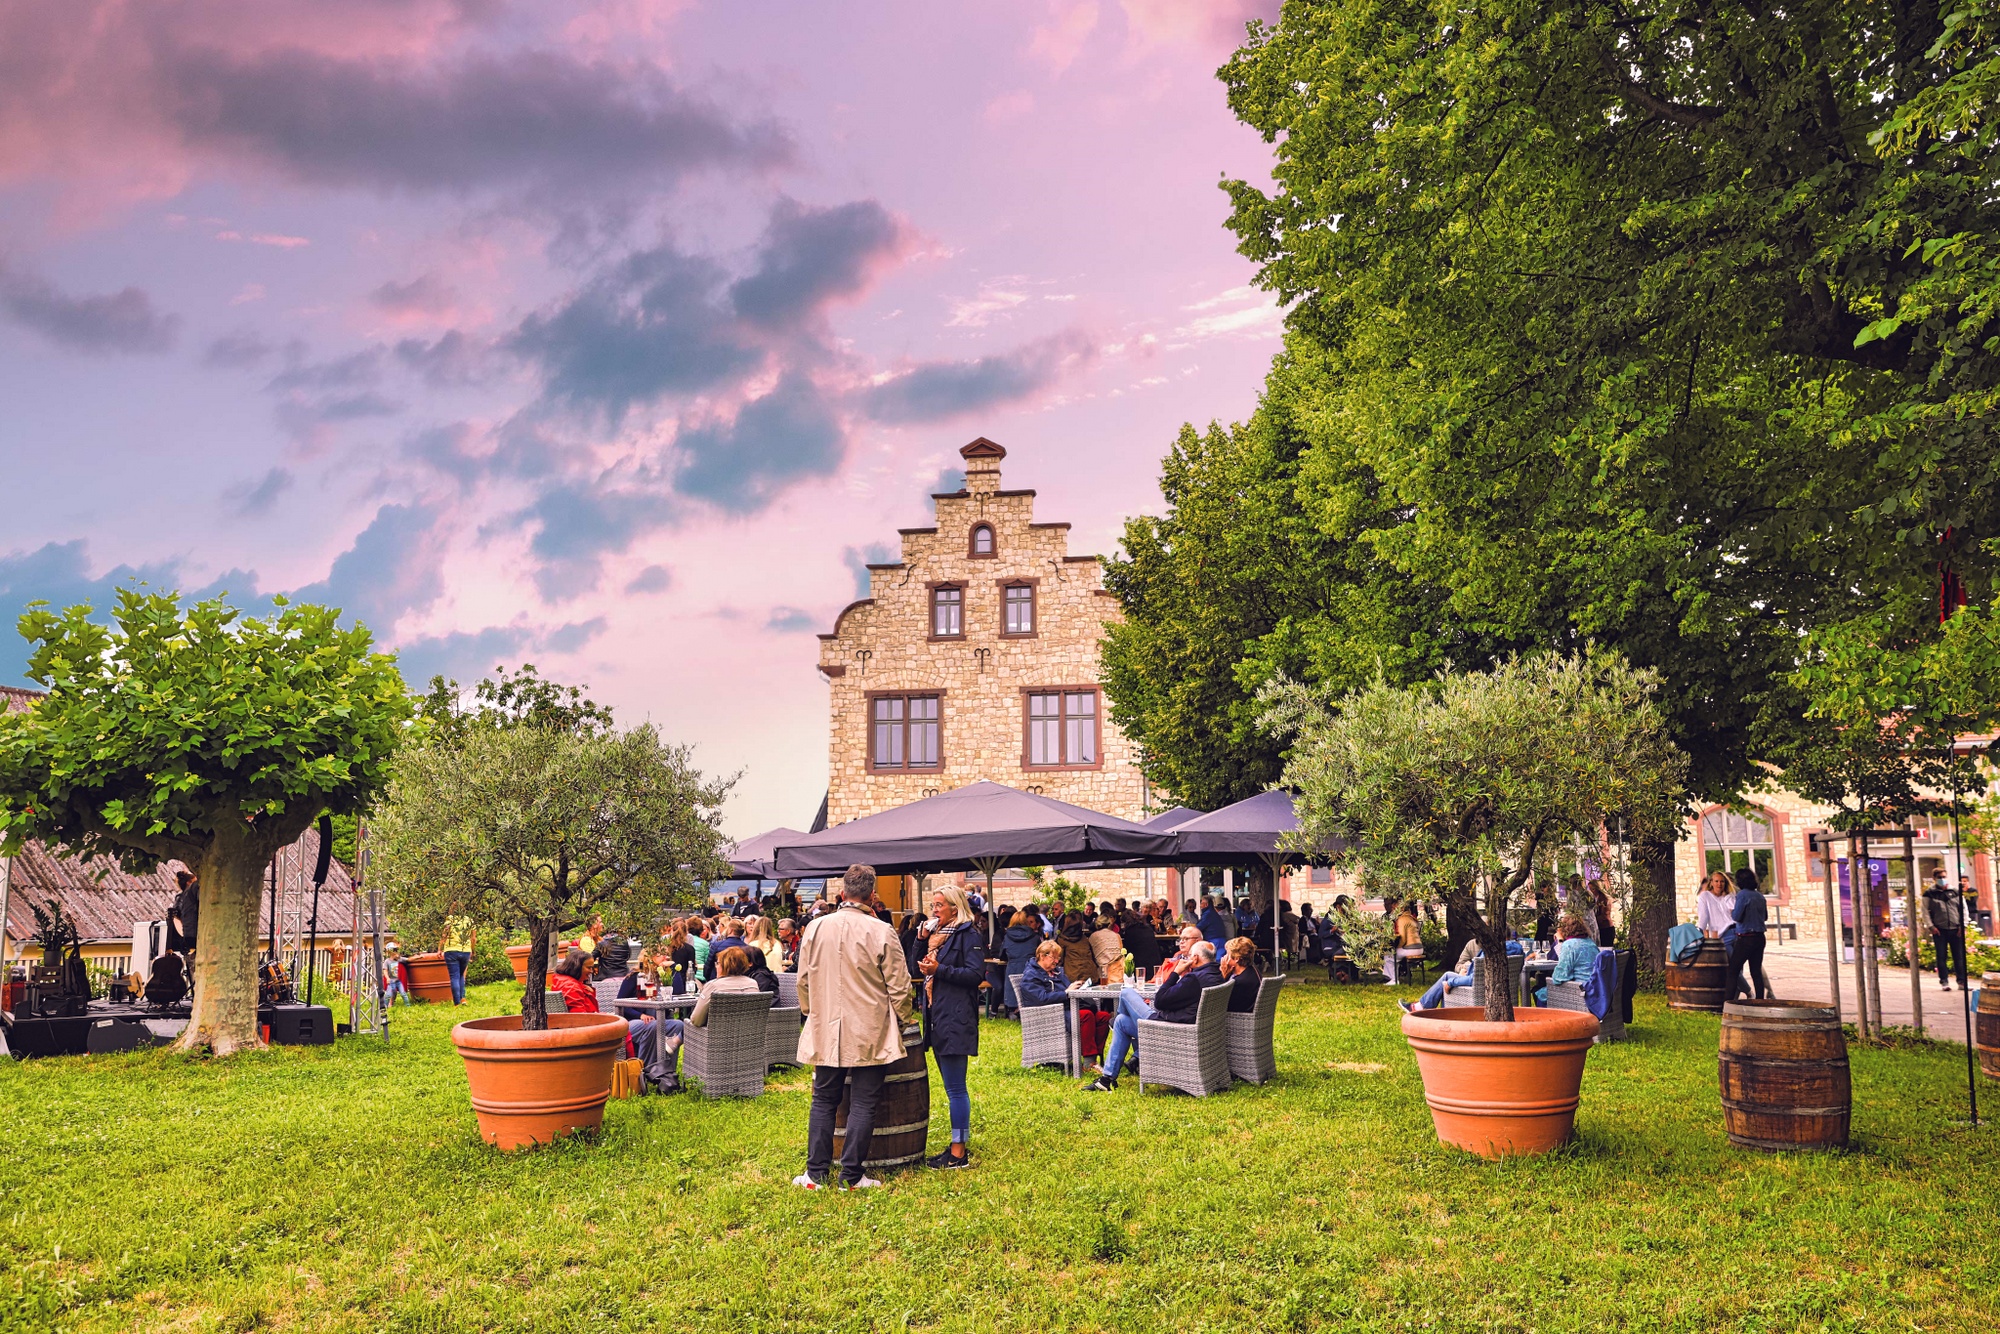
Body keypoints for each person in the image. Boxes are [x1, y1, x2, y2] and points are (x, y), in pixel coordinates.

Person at [796, 864, 918, 1191]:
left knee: (823, 1099)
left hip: (826, 1024)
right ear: (872, 896)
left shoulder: (815, 928)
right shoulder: (882, 931)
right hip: (869, 1027)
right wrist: (904, 1020)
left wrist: (813, 1013)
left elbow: (803, 979)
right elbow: (899, 986)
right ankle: (850, 1176)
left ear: (841, 893)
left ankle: (815, 1175)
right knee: (864, 1102)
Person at [1085, 940, 1226, 1092]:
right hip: (1189, 1028)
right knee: (1121, 1022)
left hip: (1171, 1029)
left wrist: (1176, 973)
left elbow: (1160, 1000)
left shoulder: (1193, 979)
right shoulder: (1217, 975)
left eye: (1189, 956)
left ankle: (1137, 1054)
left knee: (1126, 993)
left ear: (1195, 958)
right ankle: (1107, 1080)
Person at [915, 885, 984, 1169]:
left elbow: (975, 974)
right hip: (936, 1016)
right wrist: (920, 941)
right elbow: (913, 968)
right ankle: (957, 1145)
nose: (934, 910)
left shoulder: (969, 934)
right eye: (933, 905)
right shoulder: (935, 938)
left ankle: (959, 1152)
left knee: (956, 1088)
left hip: (956, 1017)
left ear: (954, 908)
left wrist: (939, 970)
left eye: (939, 905)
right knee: (950, 1086)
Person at [1729, 866, 1773, 999]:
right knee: (1756, 971)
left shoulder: (1742, 895)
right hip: (1760, 937)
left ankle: (1728, 1001)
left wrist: (1732, 912)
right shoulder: (1760, 896)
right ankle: (1760, 1000)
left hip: (1745, 938)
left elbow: (1737, 917)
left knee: (1733, 970)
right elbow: (1765, 917)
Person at [690, 946, 763, 1026]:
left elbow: (696, 1020)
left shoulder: (713, 986)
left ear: (725, 965)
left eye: (717, 963)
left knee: (682, 1028)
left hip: (716, 1036)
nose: (716, 967)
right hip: (749, 1035)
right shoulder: (753, 984)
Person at [1536, 916, 1599, 1005]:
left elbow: (1559, 978)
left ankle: (1549, 1018)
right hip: (1596, 990)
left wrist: (1560, 940)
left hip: (1580, 992)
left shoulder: (1569, 945)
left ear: (1563, 929)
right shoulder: (1590, 943)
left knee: (1542, 994)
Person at [1923, 869, 1968, 990]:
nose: (1942, 879)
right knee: (1941, 956)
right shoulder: (1929, 893)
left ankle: (1962, 982)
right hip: (1939, 930)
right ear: (1934, 878)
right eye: (1939, 877)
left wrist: (1963, 925)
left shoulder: (1955, 891)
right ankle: (1944, 982)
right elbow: (1925, 911)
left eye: (1944, 876)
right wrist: (1931, 926)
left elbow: (1963, 909)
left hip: (1955, 929)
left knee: (1959, 956)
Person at [439, 906, 475, 1005]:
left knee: (454, 976)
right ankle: (463, 998)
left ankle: (457, 1003)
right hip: (465, 951)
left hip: (451, 951)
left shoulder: (450, 920)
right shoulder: (469, 921)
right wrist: (472, 950)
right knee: (461, 975)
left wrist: (439, 949)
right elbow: (473, 938)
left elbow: (444, 935)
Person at [1220, 936, 1262, 1012]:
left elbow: (1221, 1002)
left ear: (1236, 958)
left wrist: (1223, 977)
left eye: (1227, 954)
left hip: (1236, 1017)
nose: (1224, 957)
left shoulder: (1239, 982)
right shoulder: (1253, 970)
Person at [1121, 907, 1163, 979]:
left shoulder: (1130, 932)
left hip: (1141, 968)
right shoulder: (1148, 928)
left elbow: (1128, 951)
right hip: (1155, 966)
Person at [1057, 911, 1097, 985]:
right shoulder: (1084, 939)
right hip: (1091, 976)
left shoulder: (1062, 940)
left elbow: (1059, 961)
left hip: (1072, 978)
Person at [1696, 870, 1736, 940]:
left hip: (1735, 929)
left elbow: (1735, 912)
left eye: (1722, 882)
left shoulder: (1729, 896)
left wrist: (1727, 896)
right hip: (1722, 934)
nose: (1719, 884)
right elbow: (1703, 917)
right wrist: (1700, 933)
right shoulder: (1705, 896)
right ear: (1711, 883)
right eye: (1716, 881)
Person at [1088, 914, 1126, 986]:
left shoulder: (1092, 937)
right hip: (1117, 970)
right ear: (1109, 924)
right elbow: (1121, 952)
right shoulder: (1116, 935)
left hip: (1102, 971)